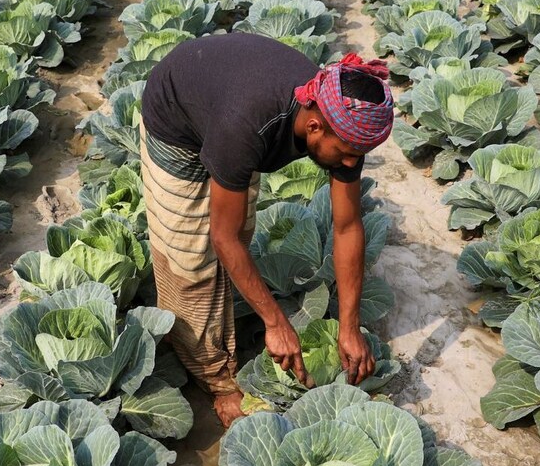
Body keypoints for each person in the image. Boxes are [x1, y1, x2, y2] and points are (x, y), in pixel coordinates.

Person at [138, 32, 395, 426]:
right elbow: (220, 238)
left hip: (224, 111)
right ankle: (217, 379)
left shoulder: (346, 125)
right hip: (176, 122)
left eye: (356, 157)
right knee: (190, 263)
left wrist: (349, 327)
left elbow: (346, 227)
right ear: (314, 128)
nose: (349, 164)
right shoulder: (248, 126)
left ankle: (228, 320)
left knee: (238, 237)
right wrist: (277, 324)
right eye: (345, 155)